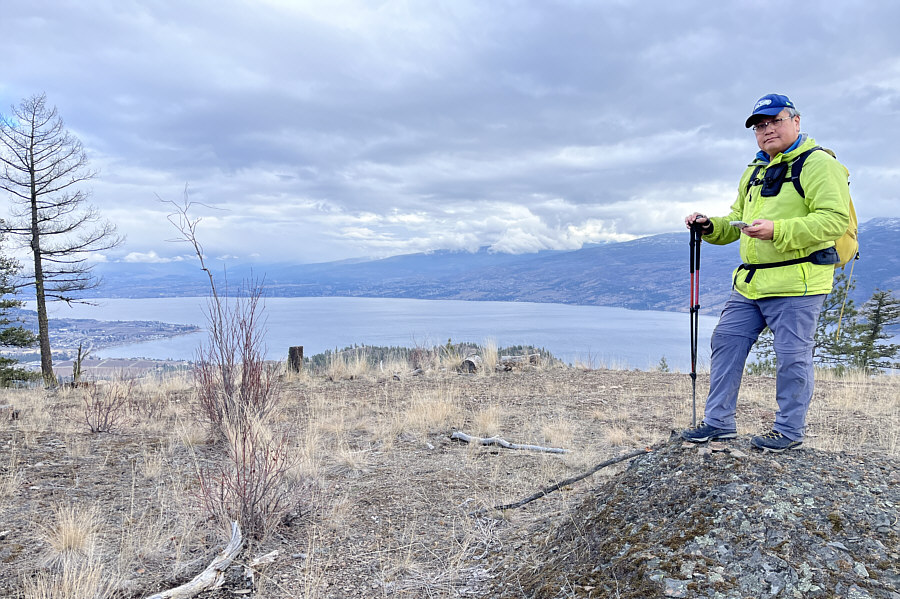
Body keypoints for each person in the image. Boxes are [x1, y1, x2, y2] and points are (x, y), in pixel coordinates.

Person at [681, 93, 851, 452]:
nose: (766, 130)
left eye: (774, 121)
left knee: (792, 356)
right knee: (726, 341)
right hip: (751, 283)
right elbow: (735, 222)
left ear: (797, 121)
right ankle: (718, 422)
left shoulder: (819, 164)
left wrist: (778, 230)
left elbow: (834, 220)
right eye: (759, 125)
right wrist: (711, 226)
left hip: (798, 282)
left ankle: (788, 431)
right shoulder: (754, 170)